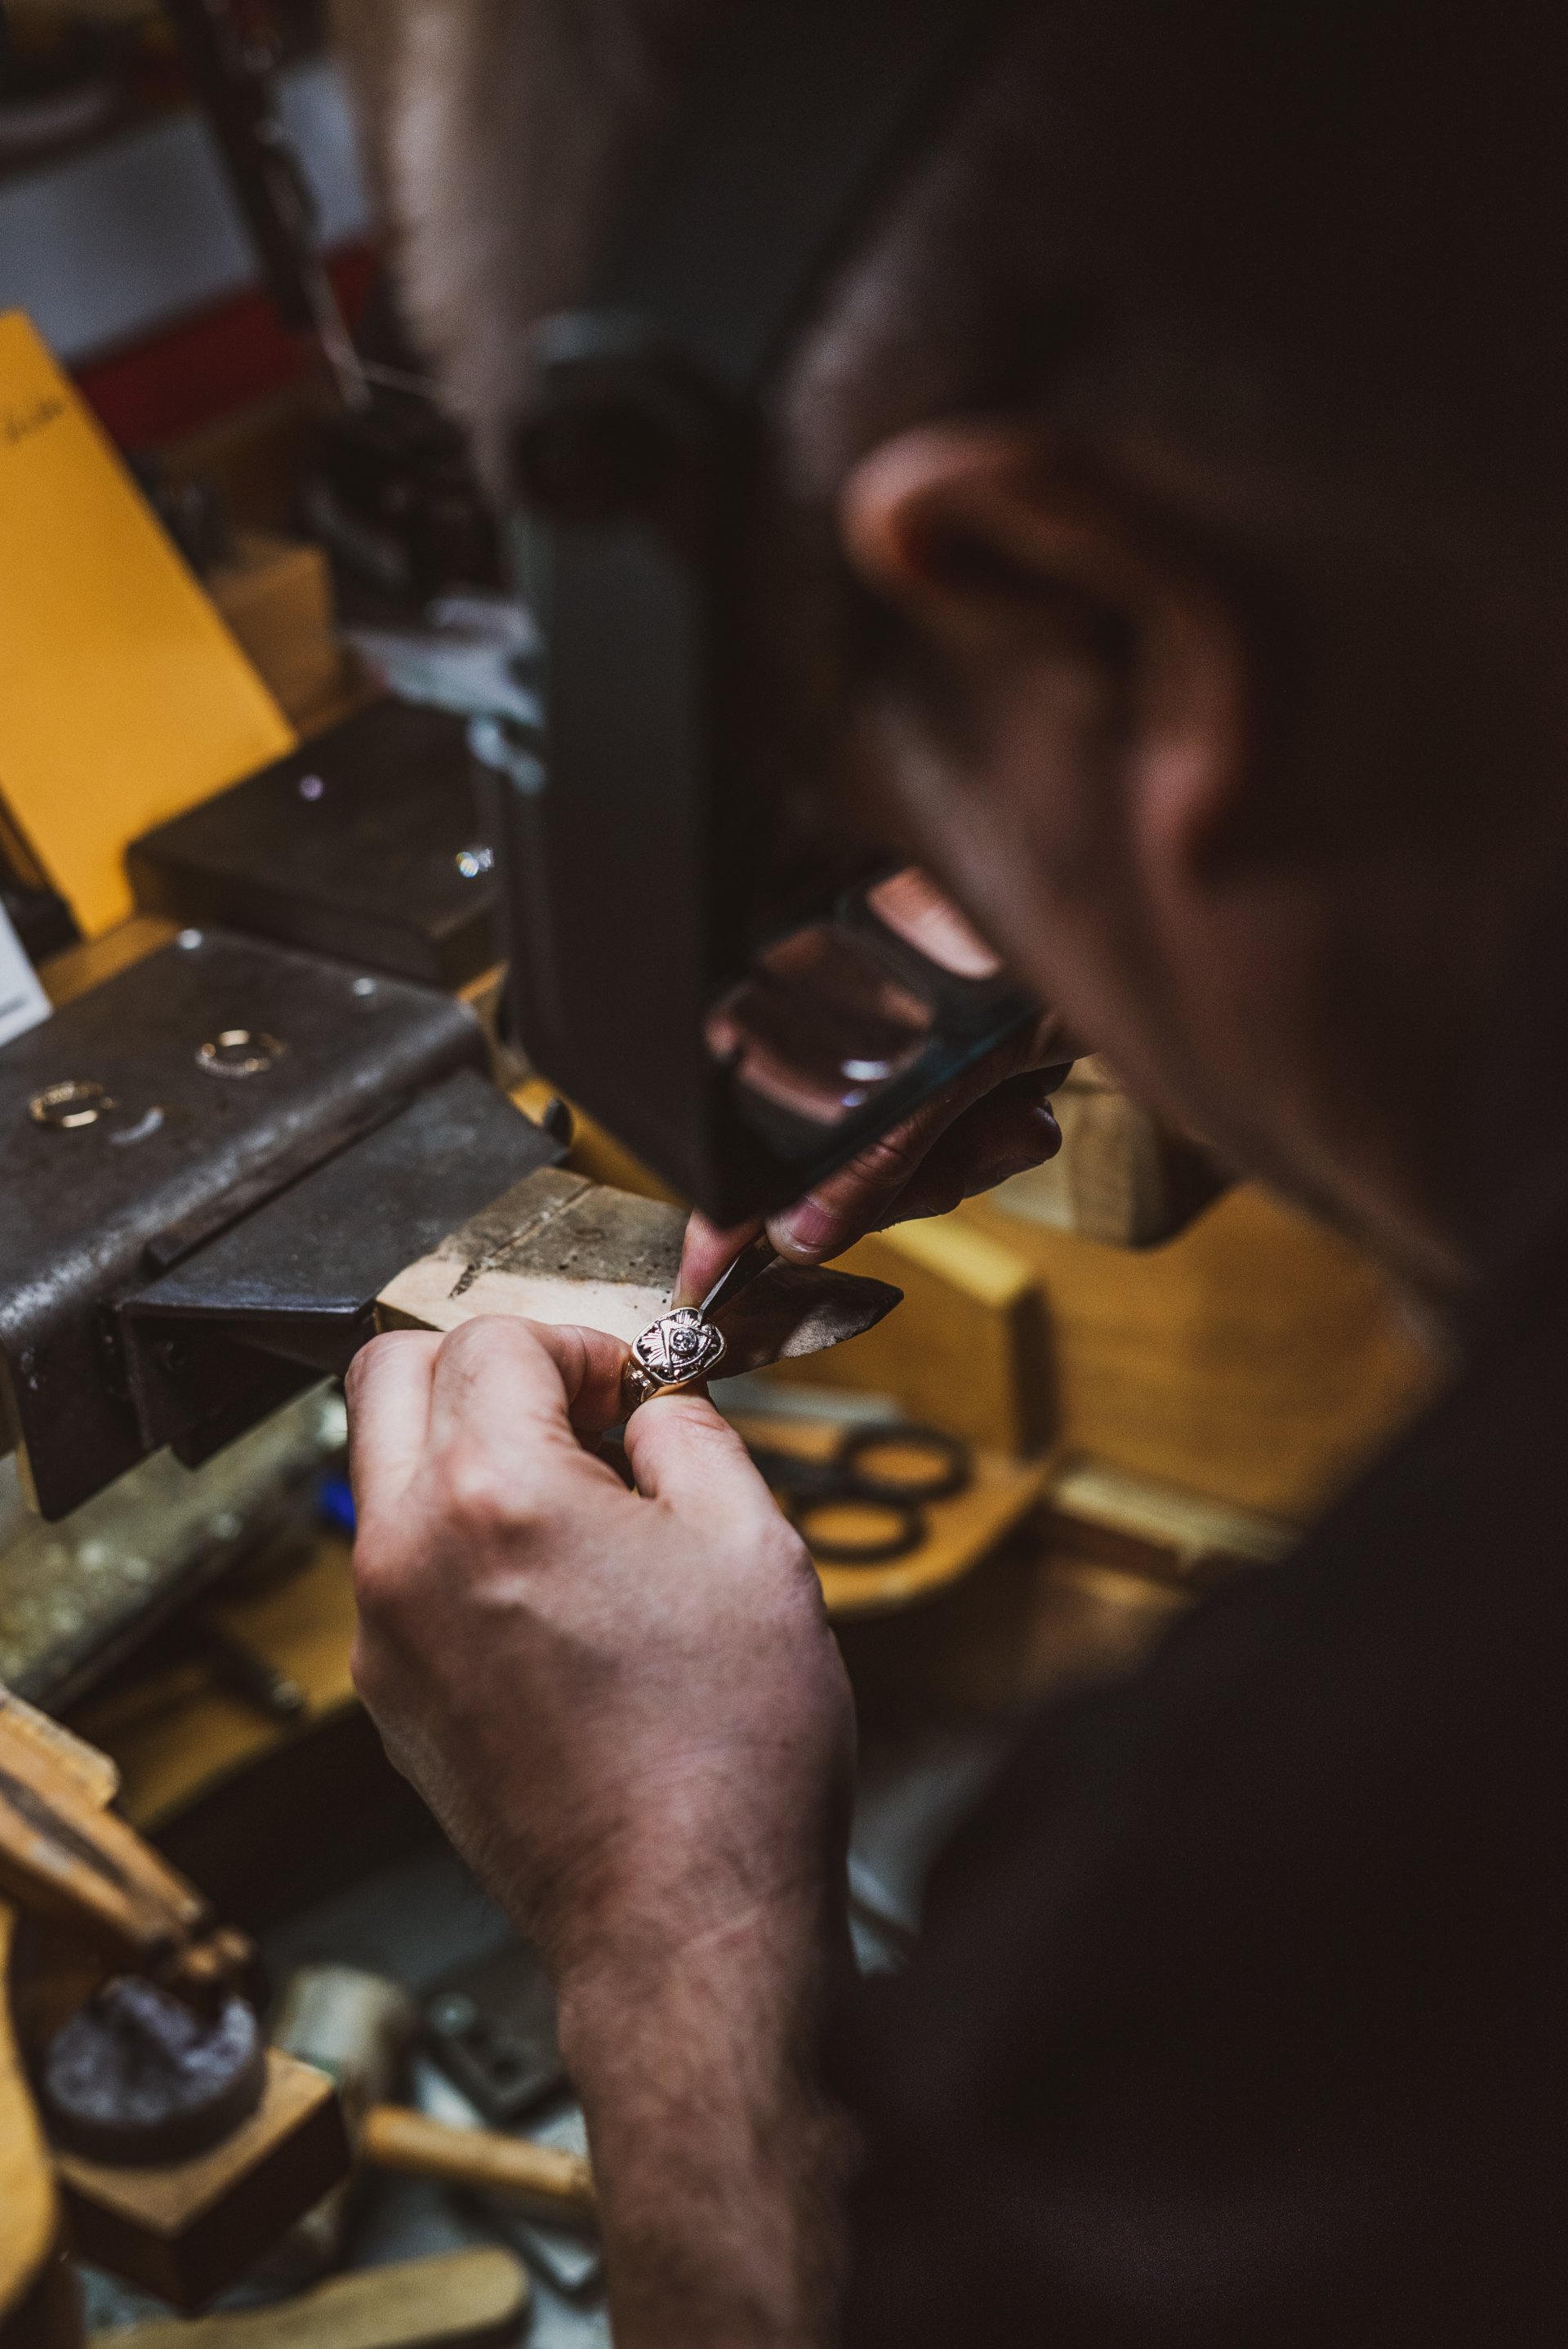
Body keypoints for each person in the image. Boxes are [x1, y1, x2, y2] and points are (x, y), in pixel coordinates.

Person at [334, 3, 1568, 2340]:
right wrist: (1160, 876)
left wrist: (672, 1925)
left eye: (895, 767)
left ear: (1084, 608)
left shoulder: (1301, 1948)